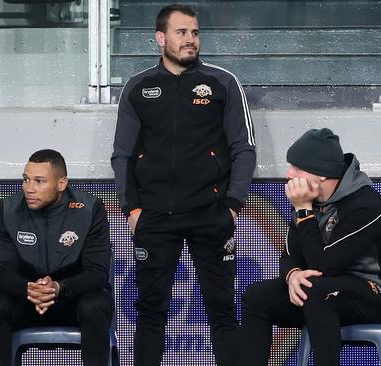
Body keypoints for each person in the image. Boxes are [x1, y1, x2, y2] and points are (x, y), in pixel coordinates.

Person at [111, 4, 256, 365]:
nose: (191, 40)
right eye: (181, 33)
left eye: (194, 33)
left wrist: (233, 205)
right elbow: (122, 155)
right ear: (160, 38)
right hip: (155, 216)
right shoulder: (139, 86)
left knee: (222, 309)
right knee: (150, 312)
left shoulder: (223, 83)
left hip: (211, 214)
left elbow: (244, 148)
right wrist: (133, 210)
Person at [238, 128, 381, 366]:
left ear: (321, 175)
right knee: (257, 297)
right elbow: (290, 256)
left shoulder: (365, 206)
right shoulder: (307, 203)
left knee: (319, 290)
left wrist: (303, 211)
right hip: (330, 293)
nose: (289, 174)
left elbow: (324, 266)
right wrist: (292, 275)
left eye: (297, 167)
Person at [0, 149, 114, 366]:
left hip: (74, 300)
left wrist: (59, 288)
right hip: (27, 301)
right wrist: (29, 289)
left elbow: (97, 272)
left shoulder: (90, 209)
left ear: (61, 184)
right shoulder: (9, 209)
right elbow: (1, 270)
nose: (29, 189)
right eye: (26, 180)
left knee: (96, 304)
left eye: (39, 181)